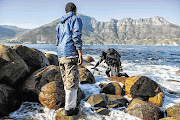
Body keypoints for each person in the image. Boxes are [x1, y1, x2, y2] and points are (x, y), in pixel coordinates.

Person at [56, 2, 83, 116]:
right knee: (72, 80)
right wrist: (80, 52)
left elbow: (58, 40)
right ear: (74, 10)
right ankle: (69, 109)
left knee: (66, 79)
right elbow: (76, 35)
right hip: (70, 52)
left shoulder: (59, 24)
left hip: (61, 54)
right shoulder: (76, 19)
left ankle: (68, 104)